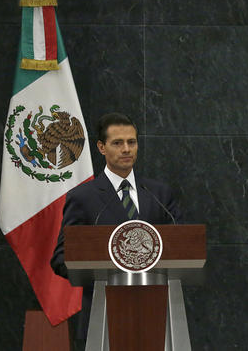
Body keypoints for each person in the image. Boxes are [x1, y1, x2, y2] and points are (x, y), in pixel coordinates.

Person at [50, 113, 182, 347]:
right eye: (117, 143)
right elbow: (61, 258)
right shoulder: (83, 197)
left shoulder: (160, 194)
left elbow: (182, 247)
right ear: (101, 147)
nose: (126, 149)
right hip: (103, 316)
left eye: (132, 142)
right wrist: (96, 269)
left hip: (156, 313)